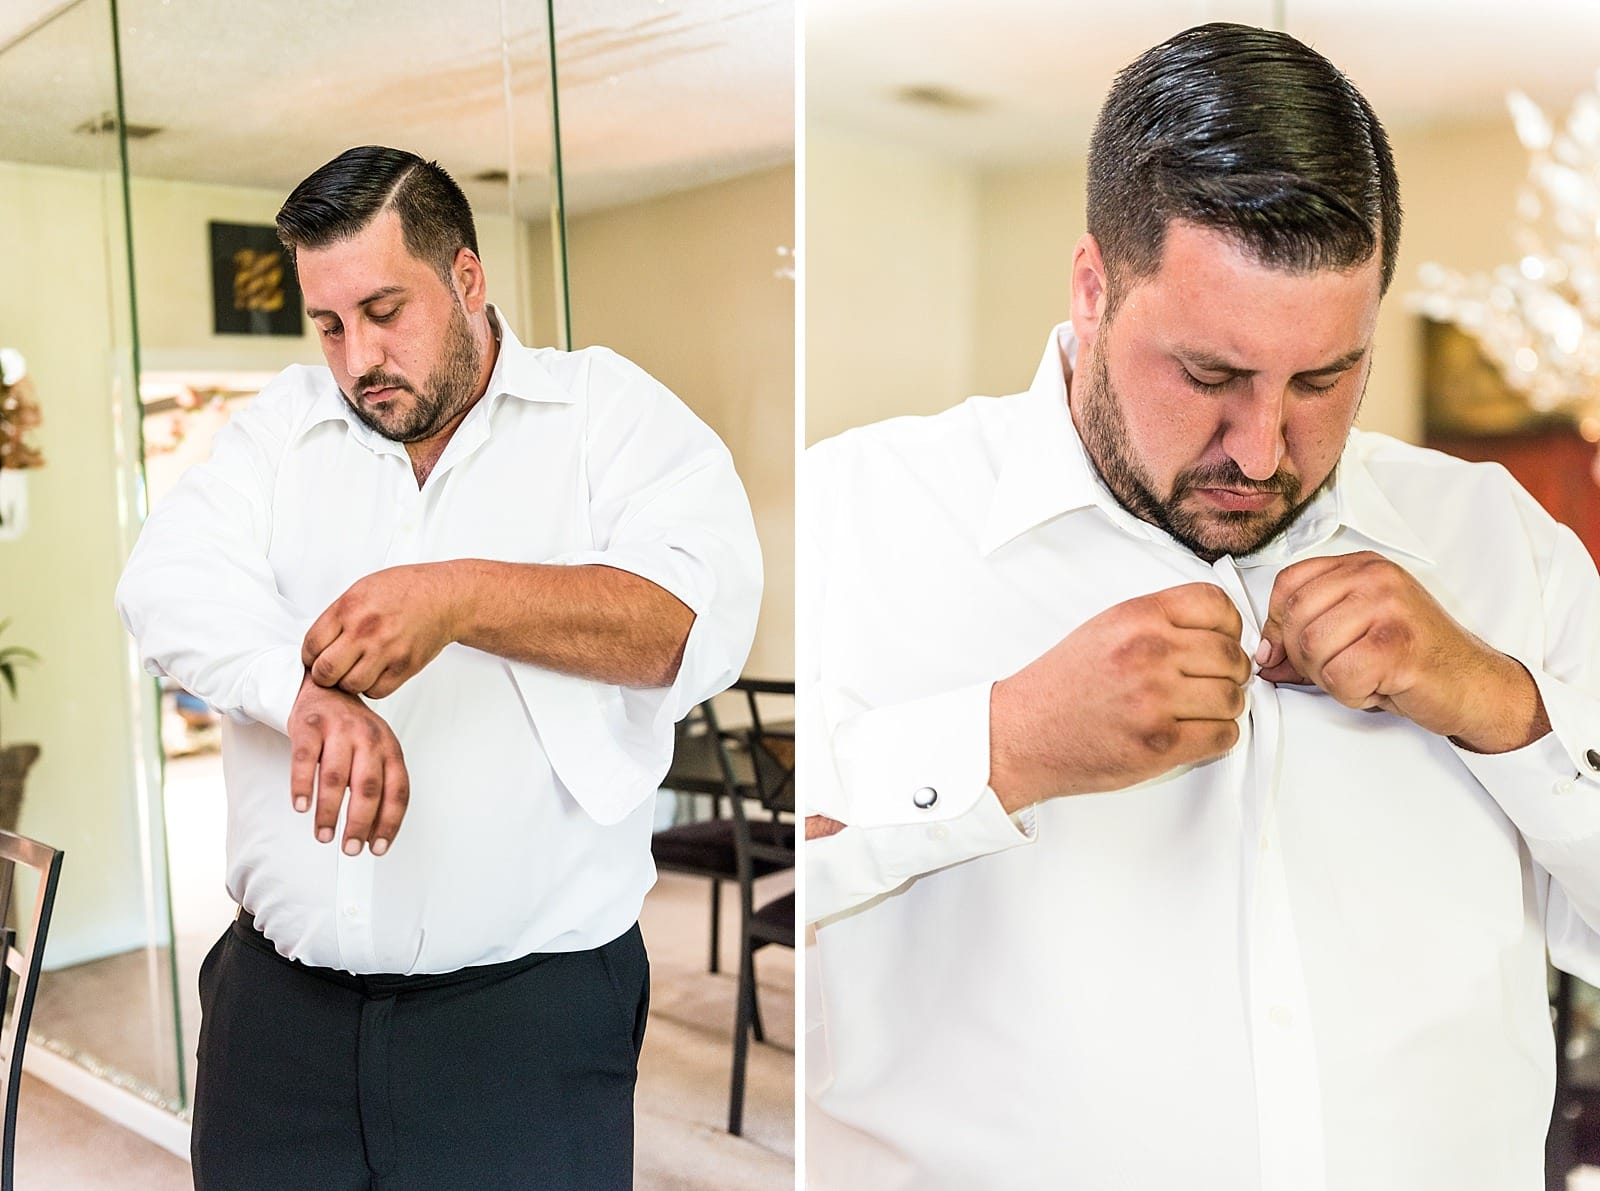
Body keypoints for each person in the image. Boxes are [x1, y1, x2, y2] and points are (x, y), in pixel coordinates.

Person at [803, 23, 1600, 1191]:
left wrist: (1506, 710)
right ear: (1092, 288)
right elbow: (721, 890)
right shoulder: (856, 515)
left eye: (1325, 379)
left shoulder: (1499, 544)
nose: (1265, 447)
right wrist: (1004, 742)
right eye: (1211, 376)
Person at [116, 145, 762, 1190]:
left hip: (526, 1027)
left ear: (467, 278)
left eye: (384, 310)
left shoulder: (609, 414)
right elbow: (163, 584)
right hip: (274, 1024)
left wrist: (456, 595)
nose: (358, 355)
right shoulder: (281, 427)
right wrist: (302, 696)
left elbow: (685, 627)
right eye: (327, 325)